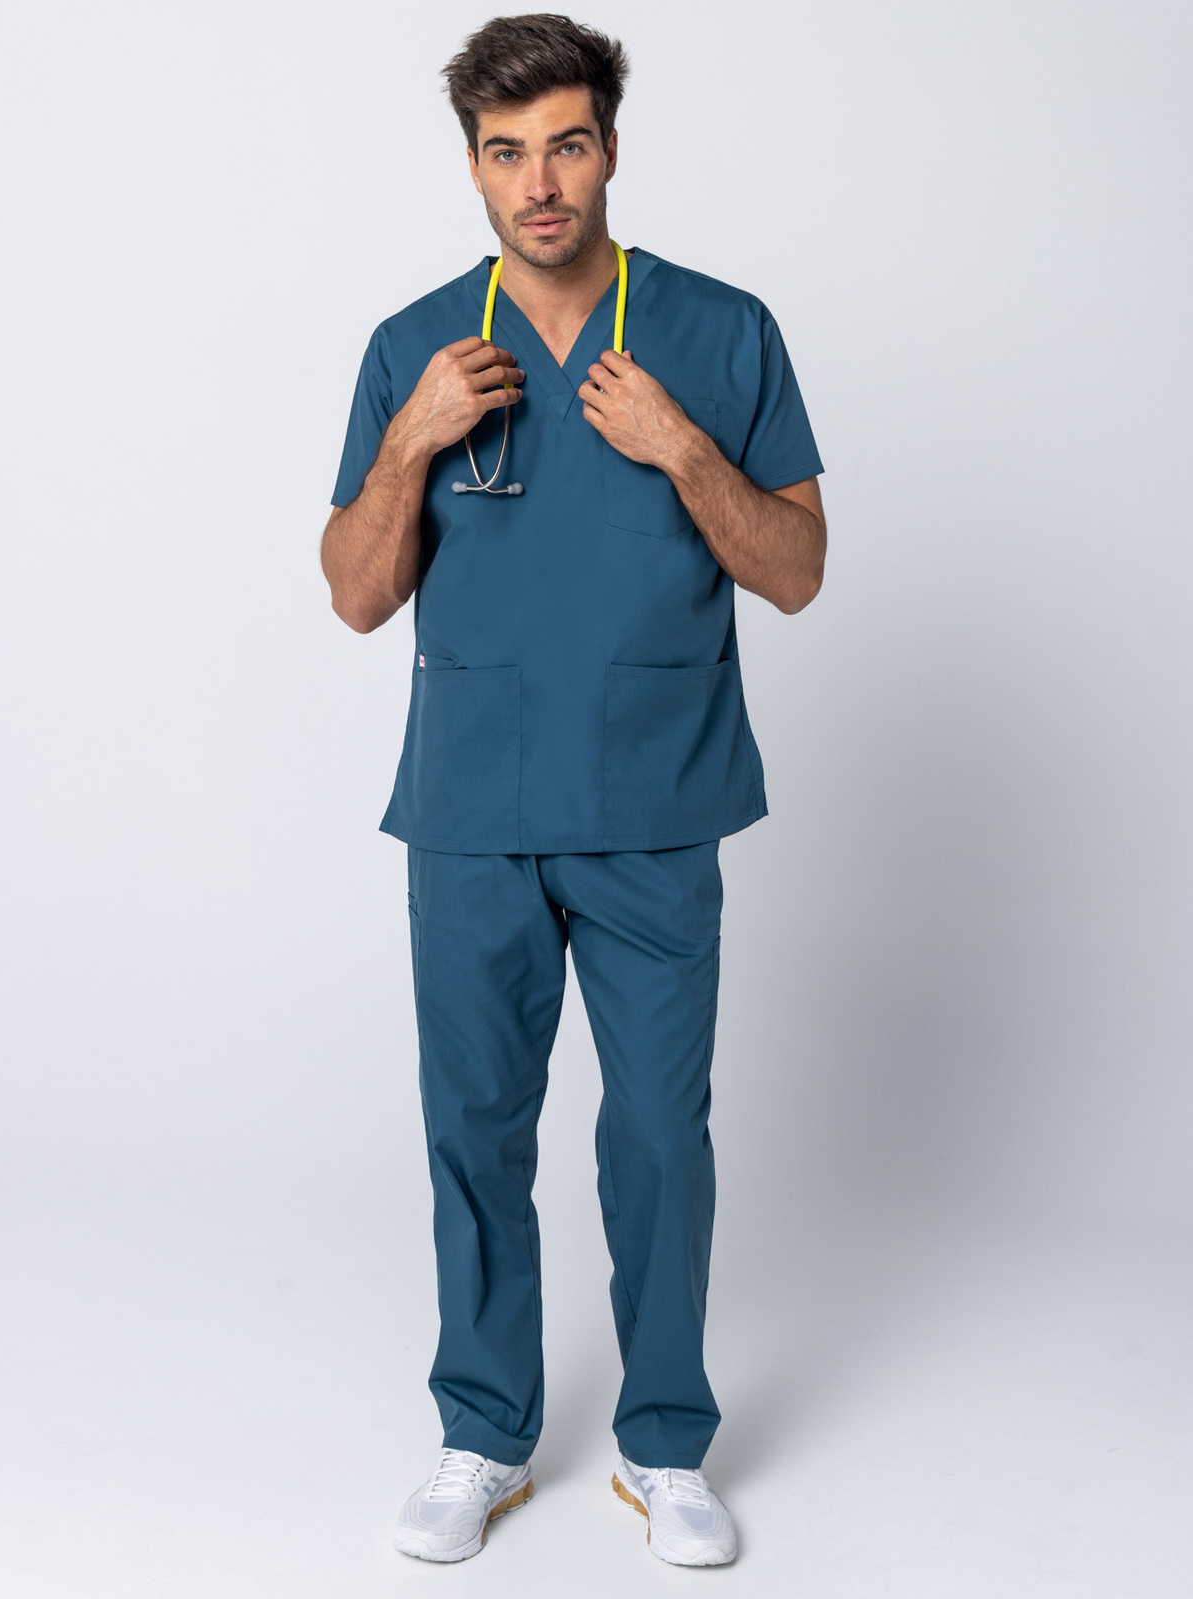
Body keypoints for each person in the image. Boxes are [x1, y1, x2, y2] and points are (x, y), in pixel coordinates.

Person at [320, 12, 825, 1569]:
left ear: (609, 148)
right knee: (474, 1130)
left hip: (654, 800)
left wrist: (681, 450)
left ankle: (663, 1442)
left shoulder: (721, 332)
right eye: (505, 152)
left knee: (659, 1135)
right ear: (471, 166)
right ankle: (482, 1431)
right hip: (471, 807)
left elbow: (795, 570)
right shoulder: (413, 347)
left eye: (566, 145)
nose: (538, 183)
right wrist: (410, 444)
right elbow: (355, 594)